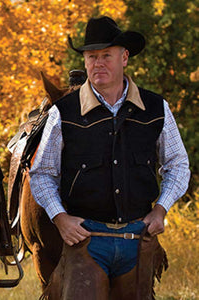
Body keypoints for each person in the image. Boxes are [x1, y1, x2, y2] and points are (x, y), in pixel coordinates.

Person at [29, 16, 190, 299]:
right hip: (85, 242)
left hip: (138, 240)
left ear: (124, 57)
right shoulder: (63, 113)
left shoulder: (156, 108)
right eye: (92, 57)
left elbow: (178, 164)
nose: (98, 63)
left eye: (106, 55)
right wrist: (60, 218)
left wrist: (161, 209)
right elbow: (42, 173)